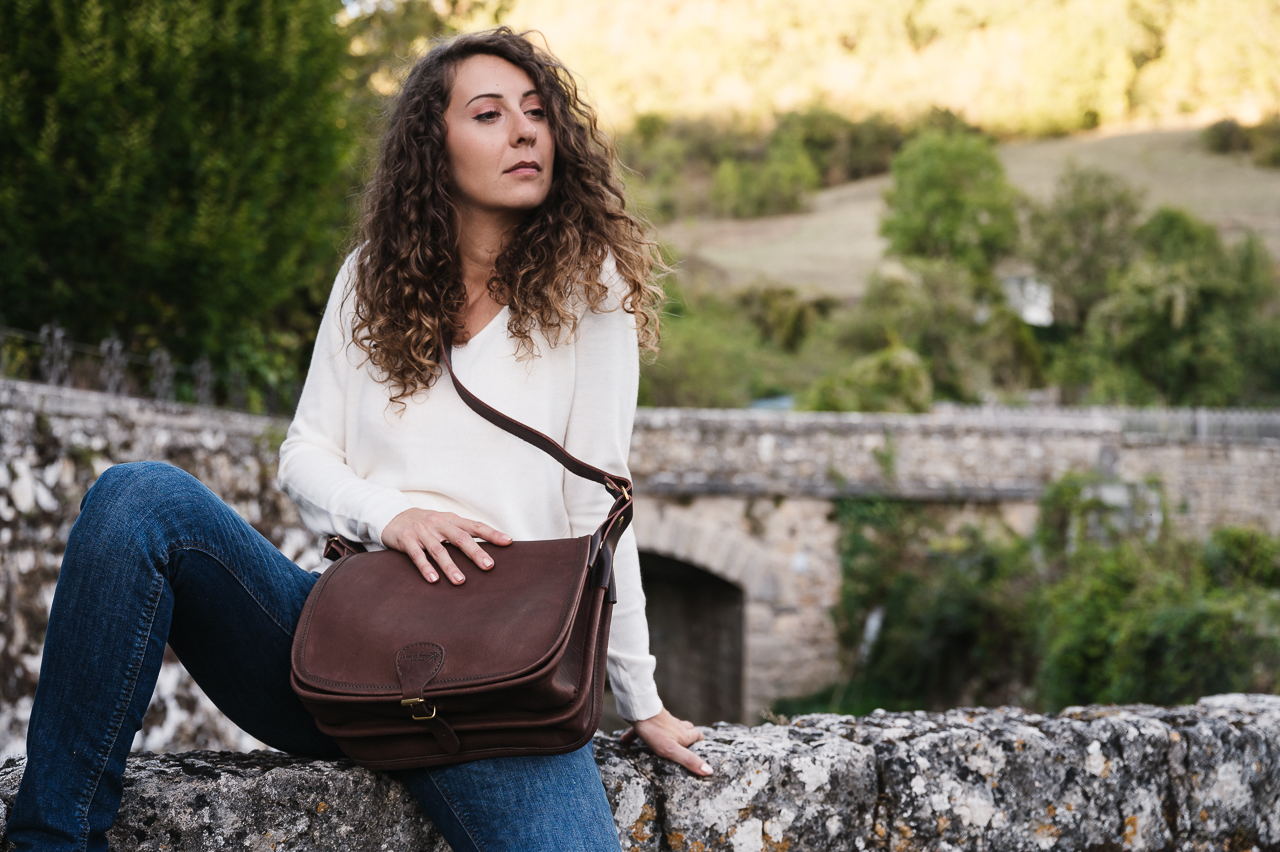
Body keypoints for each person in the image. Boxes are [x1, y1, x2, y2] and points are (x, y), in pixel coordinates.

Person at [7, 27, 708, 852]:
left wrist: (641, 700)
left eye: (536, 112)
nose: (525, 132)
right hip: (344, 654)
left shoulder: (591, 288)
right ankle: (51, 840)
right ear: (433, 146)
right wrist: (391, 515)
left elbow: (600, 502)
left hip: (502, 687)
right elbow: (305, 454)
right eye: (489, 114)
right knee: (137, 499)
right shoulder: (369, 277)